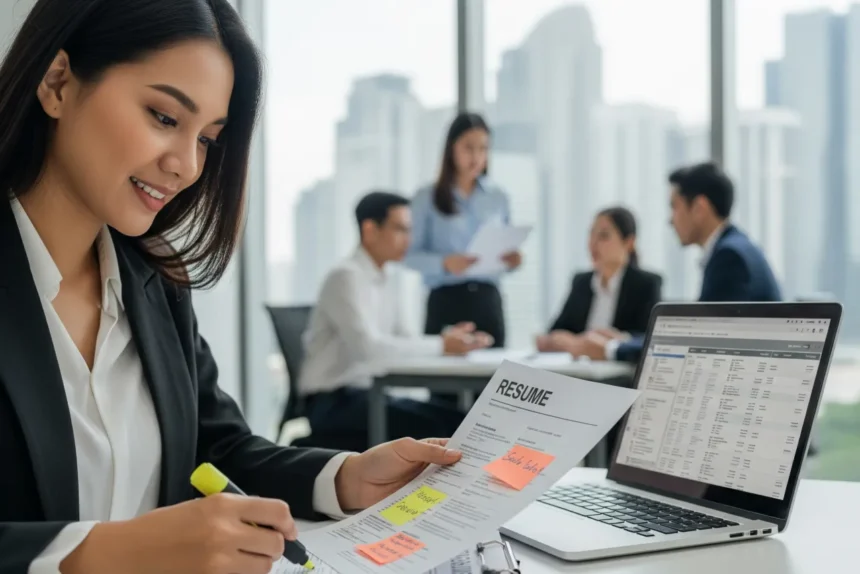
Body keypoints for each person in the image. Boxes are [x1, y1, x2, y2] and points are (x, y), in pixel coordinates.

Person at [0, 2, 463, 573]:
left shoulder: (156, 285)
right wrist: (102, 553)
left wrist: (344, 479)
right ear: (58, 82)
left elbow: (217, 450)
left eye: (208, 139)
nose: (187, 166)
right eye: (165, 117)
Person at [298, 191, 492, 452]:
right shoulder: (345, 277)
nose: (408, 240)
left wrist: (452, 341)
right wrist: (441, 345)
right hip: (333, 402)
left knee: (460, 421)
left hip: (371, 395)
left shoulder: (386, 277)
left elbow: (405, 341)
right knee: (440, 429)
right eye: (400, 229)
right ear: (370, 230)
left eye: (410, 230)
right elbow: (370, 351)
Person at [578, 162, 782, 364]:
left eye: (674, 206)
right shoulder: (734, 248)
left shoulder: (730, 257)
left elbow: (701, 342)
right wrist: (630, 341)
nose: (670, 220)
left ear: (699, 208)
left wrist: (612, 349)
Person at [406, 112, 522, 349]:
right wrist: (444, 263)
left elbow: (504, 245)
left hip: (487, 300)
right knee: (443, 381)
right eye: (469, 148)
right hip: (445, 300)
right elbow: (408, 255)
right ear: (451, 149)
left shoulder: (498, 197)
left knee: (493, 382)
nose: (477, 157)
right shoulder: (426, 198)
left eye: (483, 149)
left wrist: (512, 261)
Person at [536, 207, 662, 357]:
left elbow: (649, 339)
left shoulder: (646, 284)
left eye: (603, 236)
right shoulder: (581, 282)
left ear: (629, 242)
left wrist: (617, 339)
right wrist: (562, 341)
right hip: (580, 369)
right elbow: (557, 330)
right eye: (591, 234)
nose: (592, 243)